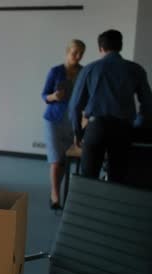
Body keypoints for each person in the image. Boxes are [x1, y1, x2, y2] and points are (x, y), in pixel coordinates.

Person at [69, 29, 152, 183]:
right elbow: (148, 104)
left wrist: (78, 133)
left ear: (101, 48)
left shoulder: (89, 69)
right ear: (120, 46)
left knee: (88, 179)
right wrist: (137, 126)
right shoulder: (136, 70)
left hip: (96, 127)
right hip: (123, 130)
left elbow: (75, 106)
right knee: (118, 180)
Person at [41, 39, 86, 210]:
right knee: (55, 160)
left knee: (64, 161)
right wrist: (54, 97)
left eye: (81, 53)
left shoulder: (84, 72)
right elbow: (44, 94)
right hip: (53, 120)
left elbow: (86, 96)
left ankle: (56, 190)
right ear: (68, 51)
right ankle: (55, 195)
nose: (78, 56)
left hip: (74, 121)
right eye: (75, 52)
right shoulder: (56, 71)